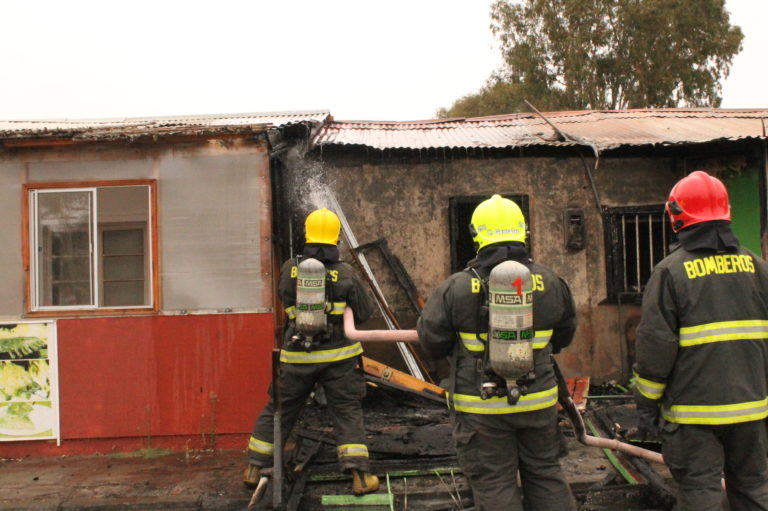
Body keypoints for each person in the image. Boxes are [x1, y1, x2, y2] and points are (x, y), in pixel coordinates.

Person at [417, 194, 577, 511]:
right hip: (538, 401)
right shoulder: (551, 281)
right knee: (545, 474)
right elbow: (564, 335)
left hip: (482, 407)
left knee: (494, 483)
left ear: (477, 235)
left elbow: (431, 342)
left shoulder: (456, 287)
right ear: (522, 232)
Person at [633, 170, 768, 510]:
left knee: (700, 493)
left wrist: (647, 404)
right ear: (726, 212)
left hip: (694, 417)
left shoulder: (670, 272)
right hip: (753, 412)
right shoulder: (757, 267)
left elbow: (655, 347)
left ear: (676, 215)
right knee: (754, 490)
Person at [243, 208, 380, 496]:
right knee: (346, 411)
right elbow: (365, 313)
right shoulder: (346, 273)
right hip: (339, 359)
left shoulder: (289, 268)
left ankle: (254, 469)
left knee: (280, 409)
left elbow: (284, 299)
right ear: (336, 238)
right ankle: (359, 477)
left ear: (307, 235)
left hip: (296, 356)